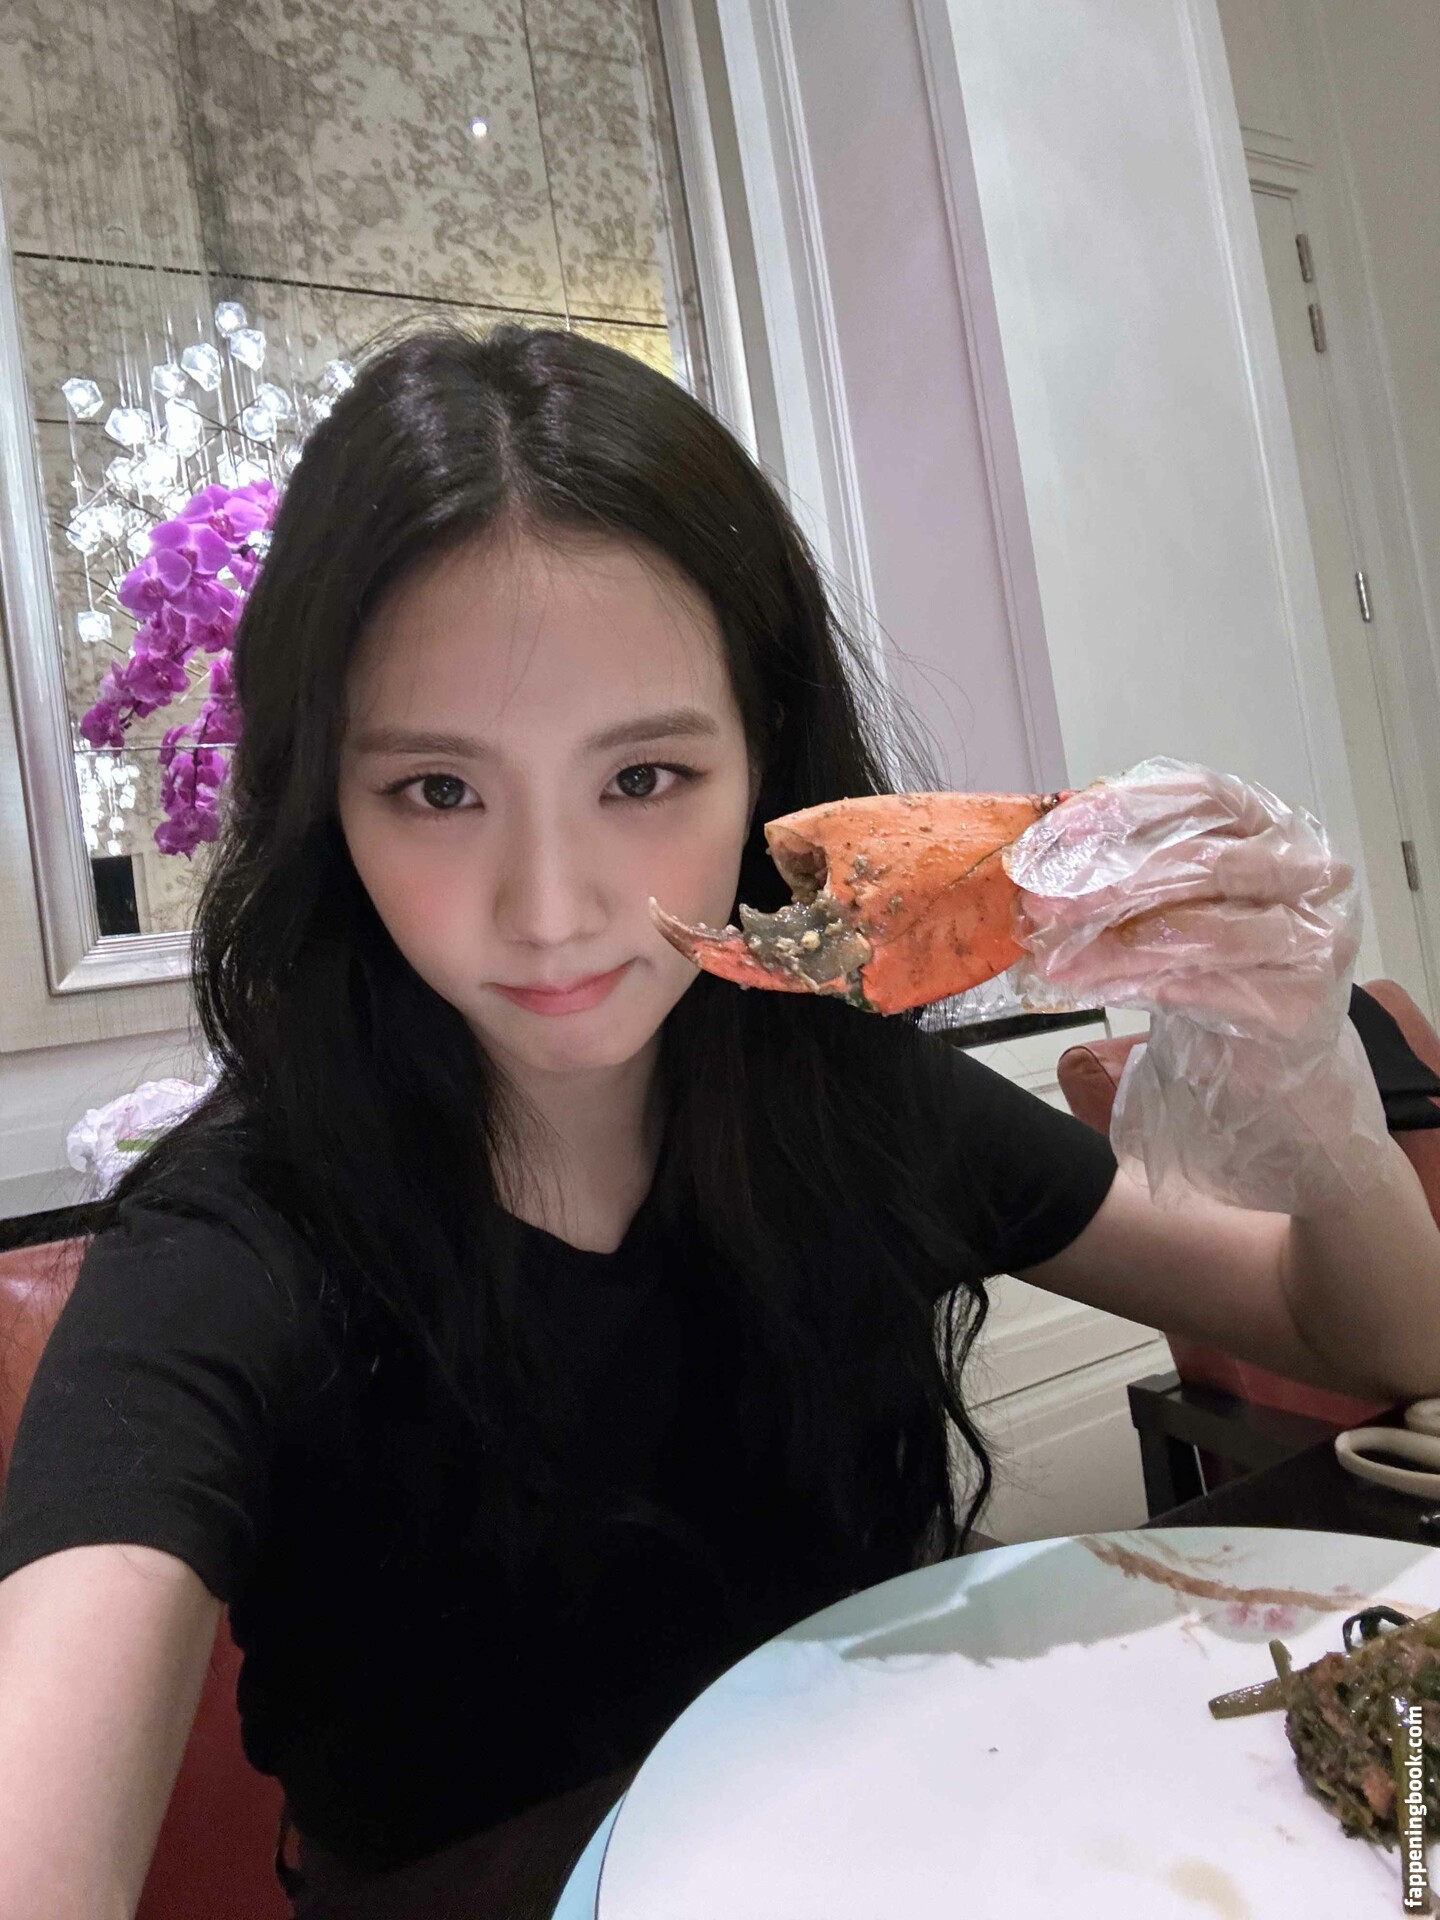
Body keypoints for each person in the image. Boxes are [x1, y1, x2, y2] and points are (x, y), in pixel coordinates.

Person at [1, 323, 1438, 1920]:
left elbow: (1374, 1338)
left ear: (763, 762)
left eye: (642, 779)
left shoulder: (841, 1103)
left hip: (899, 1862)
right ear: (326, 804)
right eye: (438, 791)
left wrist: (1307, 1067)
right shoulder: (238, 1246)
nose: (551, 908)